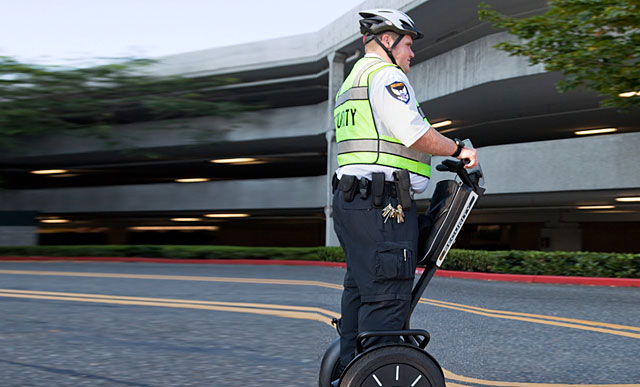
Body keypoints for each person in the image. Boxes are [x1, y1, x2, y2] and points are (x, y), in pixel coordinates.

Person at [331, 8, 479, 375]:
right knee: (386, 293)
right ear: (386, 41)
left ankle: (351, 366)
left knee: (361, 290)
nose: (411, 53)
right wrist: (460, 150)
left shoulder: (351, 83)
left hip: (354, 203)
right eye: (408, 44)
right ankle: (379, 371)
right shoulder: (385, 77)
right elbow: (414, 132)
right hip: (382, 207)